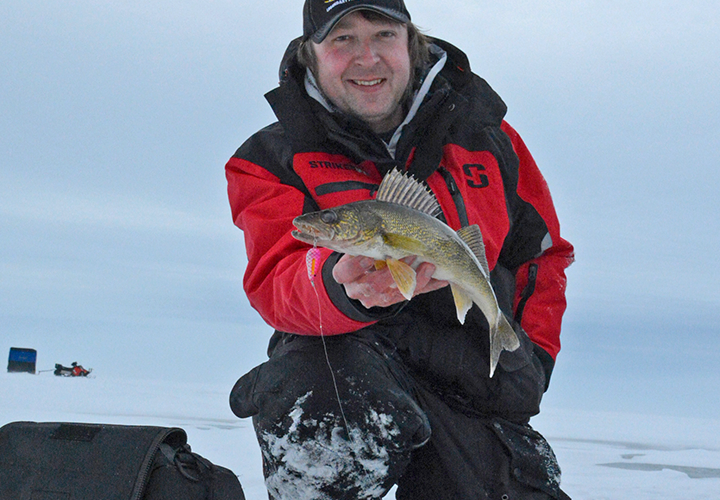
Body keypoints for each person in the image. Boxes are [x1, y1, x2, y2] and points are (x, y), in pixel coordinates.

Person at [225, 1, 574, 499]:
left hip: (475, 381)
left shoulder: (492, 143)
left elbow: (543, 255)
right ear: (311, 54)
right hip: (349, 366)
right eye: (341, 39)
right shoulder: (268, 159)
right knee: (316, 390)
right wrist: (341, 287)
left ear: (411, 43)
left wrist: (532, 356)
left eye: (383, 35)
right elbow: (275, 277)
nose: (367, 58)